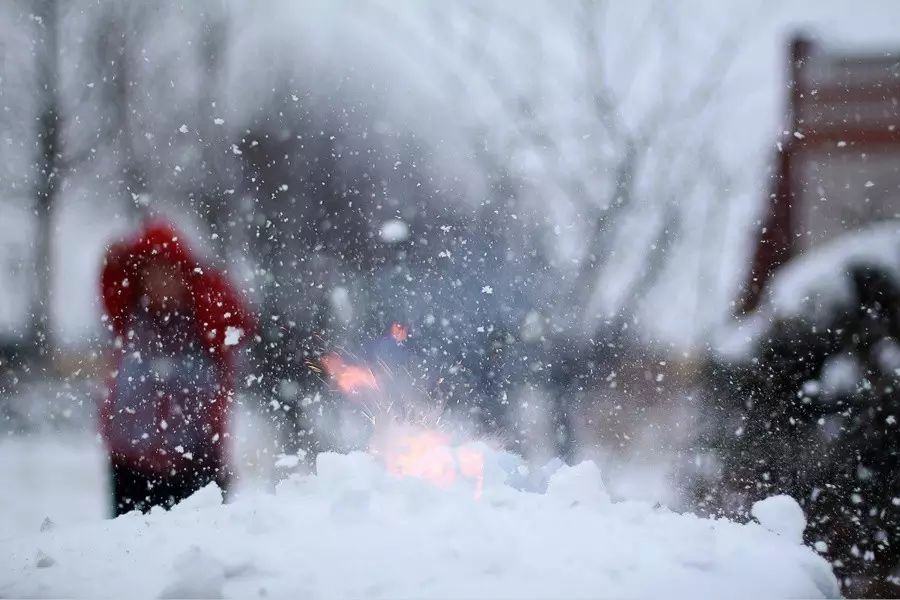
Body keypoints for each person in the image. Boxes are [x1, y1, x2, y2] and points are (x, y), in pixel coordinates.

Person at [99, 220, 252, 515]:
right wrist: (116, 259)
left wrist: (207, 284)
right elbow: (110, 284)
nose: (160, 282)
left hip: (197, 468)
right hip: (131, 468)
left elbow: (240, 322)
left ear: (185, 275)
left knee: (195, 557)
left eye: (168, 271)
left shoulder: (206, 321)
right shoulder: (129, 316)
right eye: (150, 272)